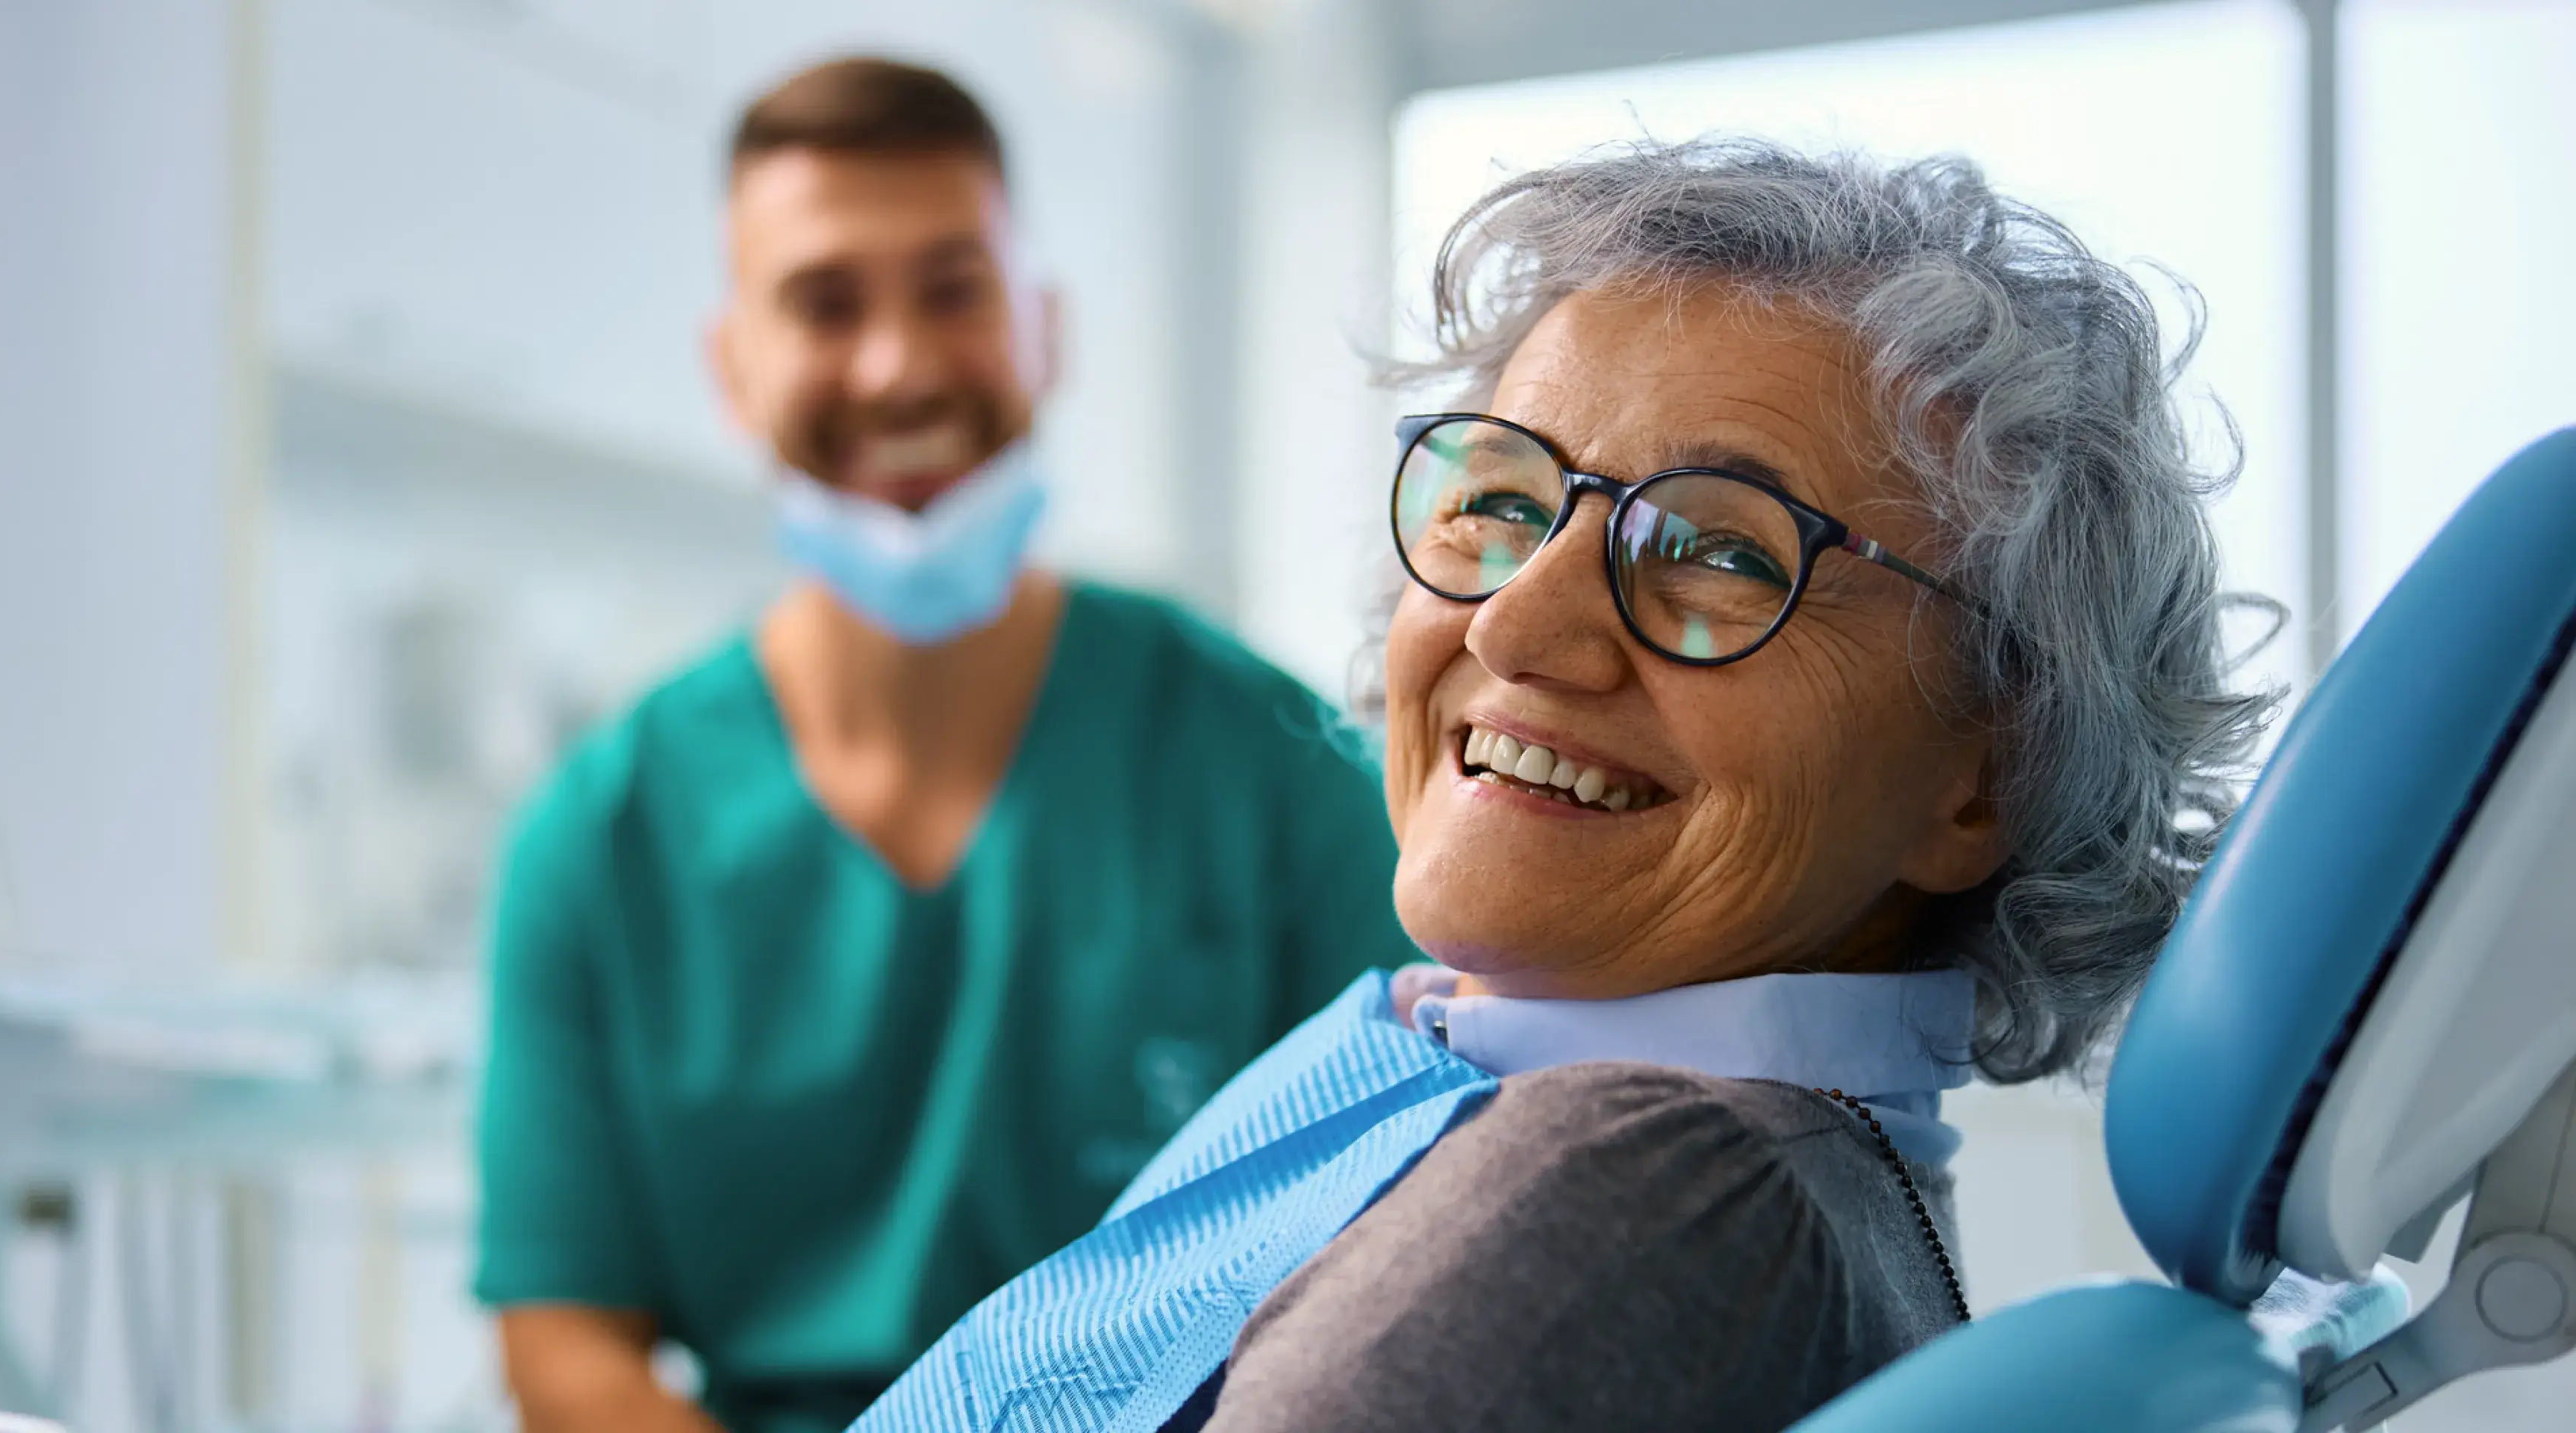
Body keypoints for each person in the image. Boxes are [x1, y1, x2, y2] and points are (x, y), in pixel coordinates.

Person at [851, 137, 2279, 1432]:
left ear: (1985, 775)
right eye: (1505, 504)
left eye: (1723, 554)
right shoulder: (1509, 1082)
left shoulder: (1644, 1190)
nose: (1513, 624)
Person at [473, 57, 1412, 1433]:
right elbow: (566, 1346)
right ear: (733, 370)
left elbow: (1405, 1249)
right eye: (825, 302)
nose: (900, 363)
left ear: (1045, 330)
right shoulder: (600, 841)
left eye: (955, 290)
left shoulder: (1274, 771)